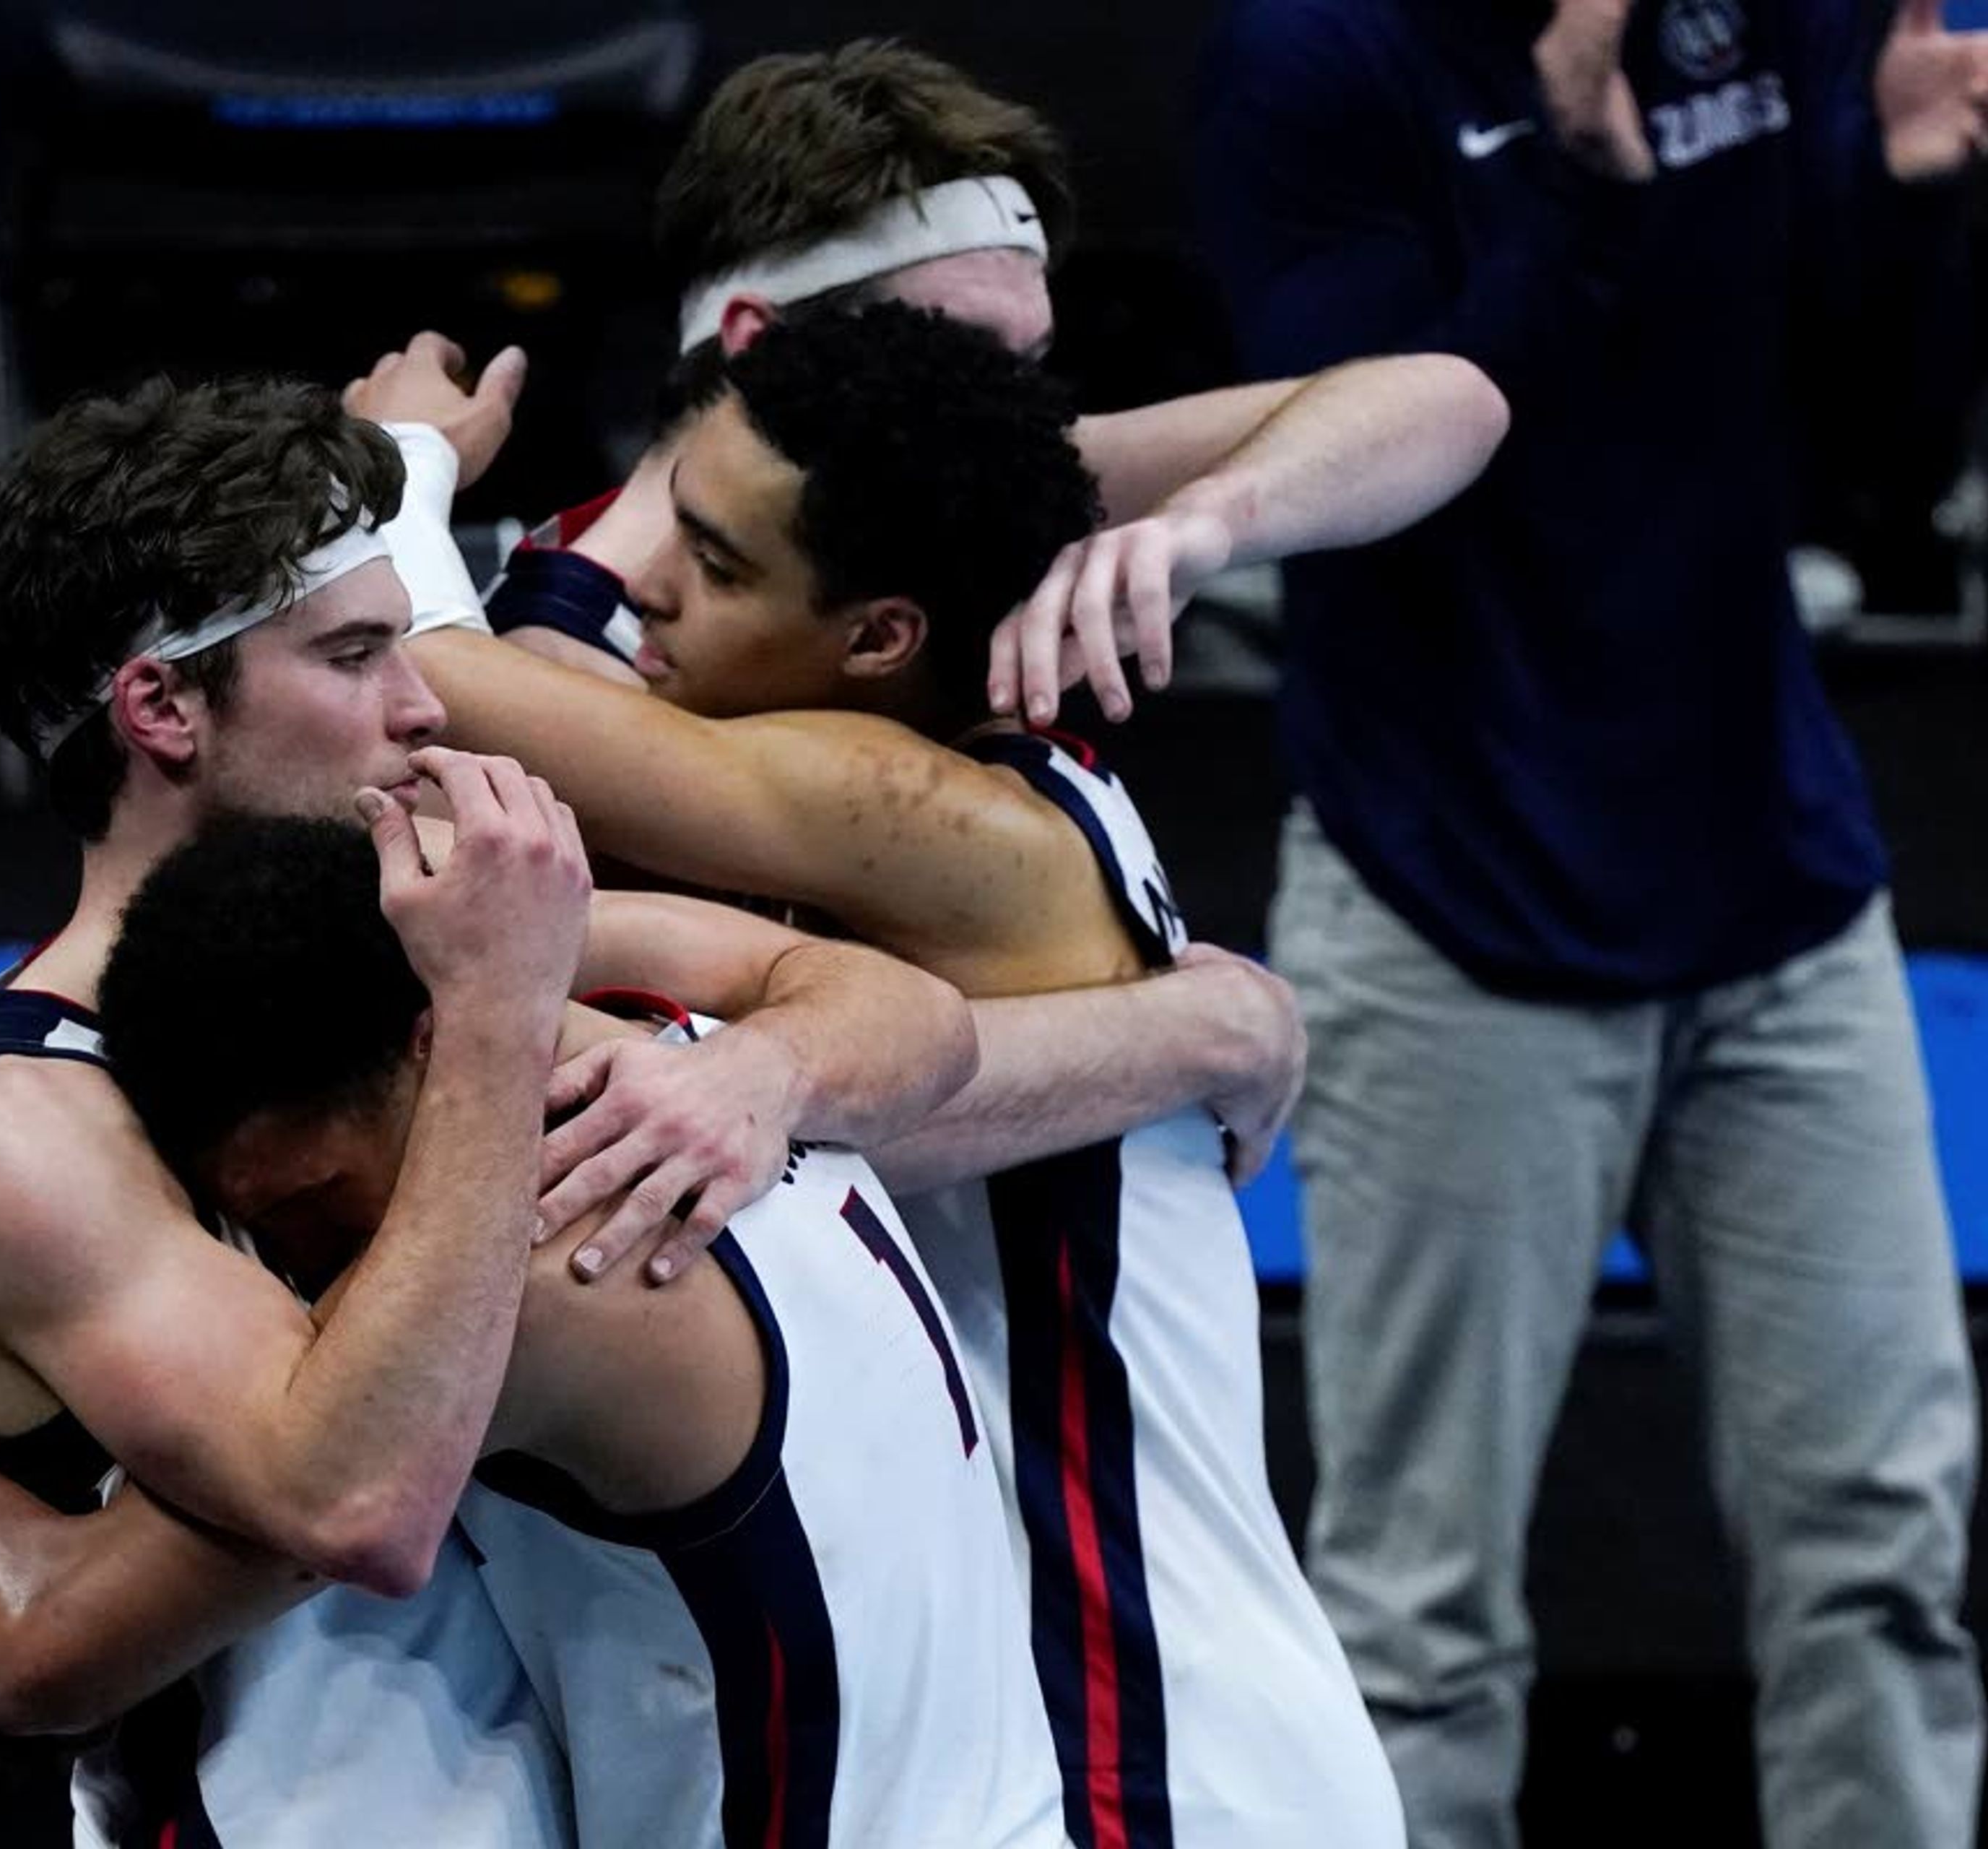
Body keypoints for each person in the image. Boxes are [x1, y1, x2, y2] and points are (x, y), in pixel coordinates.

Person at [394, 300, 1438, 1848]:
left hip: (1147, 1742)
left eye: (720, 565)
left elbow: (437, 678)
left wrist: (401, 470)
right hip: (1060, 1723)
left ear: (883, 633)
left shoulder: (941, 812)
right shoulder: (892, 757)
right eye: (666, 529)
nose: (657, 592)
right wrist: (1215, 1027)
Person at [0, 371, 981, 1847]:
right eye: (354, 655)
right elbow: (356, 1498)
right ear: (159, 704)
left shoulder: (402, 910)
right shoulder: (33, 1125)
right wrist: (499, 1023)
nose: (423, 705)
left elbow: (902, 1011)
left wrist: (756, 1067)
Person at [1186, 1, 1988, 1843]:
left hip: (1778, 891)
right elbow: (1361, 459)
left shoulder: (1780, 12)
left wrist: (1893, 197)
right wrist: (1571, 177)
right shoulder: (1320, 55)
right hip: (1453, 905)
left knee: (1883, 1571)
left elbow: (1874, 450)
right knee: (1416, 1618)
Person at [95, 812, 1064, 1848]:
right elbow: (921, 1012)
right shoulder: (707, 1053)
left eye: (318, 1193)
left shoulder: (551, 1277)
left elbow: (48, 1651)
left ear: (436, 1047)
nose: (301, 1250)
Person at [451, 38, 1514, 729]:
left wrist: (1205, 524)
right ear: (758, 343)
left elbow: (1453, 400)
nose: (1017, 411)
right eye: (963, 354)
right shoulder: (560, 640)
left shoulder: (972, 486)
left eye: (1030, 360)